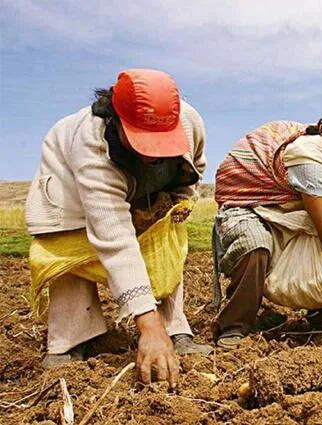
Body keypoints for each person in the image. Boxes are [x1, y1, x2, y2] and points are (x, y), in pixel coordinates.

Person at [25, 69, 212, 389]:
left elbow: (196, 164)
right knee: (70, 251)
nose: (152, 154)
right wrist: (146, 326)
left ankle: (174, 328)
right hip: (69, 195)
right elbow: (114, 239)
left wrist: (180, 202)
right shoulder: (92, 149)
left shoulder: (188, 119)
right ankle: (70, 340)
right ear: (117, 120)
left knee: (164, 238)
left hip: (148, 188)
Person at [212, 106, 322, 350]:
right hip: (252, 204)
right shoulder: (310, 161)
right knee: (253, 244)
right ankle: (235, 325)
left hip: (294, 205)